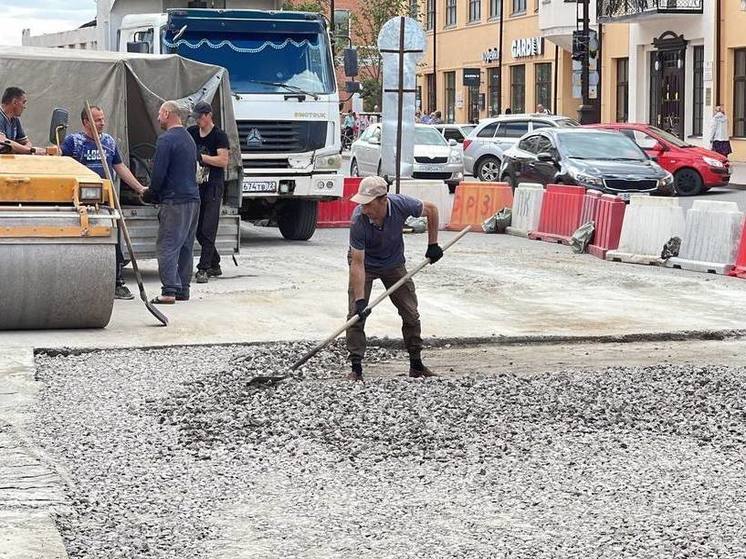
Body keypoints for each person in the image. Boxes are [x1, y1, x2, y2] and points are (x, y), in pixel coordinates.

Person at [346, 176, 443, 381]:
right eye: (361, 204)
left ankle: (416, 365)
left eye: (368, 204)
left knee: (410, 313)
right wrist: (361, 300)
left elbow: (432, 209)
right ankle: (356, 368)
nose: (364, 209)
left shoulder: (400, 205)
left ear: (383, 200)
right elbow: (357, 263)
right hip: (365, 264)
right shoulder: (358, 219)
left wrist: (433, 244)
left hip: (393, 263)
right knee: (356, 314)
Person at [62, 105, 147, 300]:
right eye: (97, 120)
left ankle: (117, 283)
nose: (102, 123)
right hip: (81, 204)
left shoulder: (108, 142)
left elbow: (120, 167)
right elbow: (63, 167)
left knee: (115, 240)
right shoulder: (73, 142)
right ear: (85, 122)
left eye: (102, 119)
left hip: (106, 201)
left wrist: (140, 188)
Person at [149, 100, 201, 304]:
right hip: (193, 199)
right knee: (185, 245)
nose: (158, 118)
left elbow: (159, 173)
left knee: (167, 245)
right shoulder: (189, 139)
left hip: (175, 200)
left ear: (168, 113)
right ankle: (183, 289)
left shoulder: (166, 139)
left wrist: (151, 193)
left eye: (160, 114)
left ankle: (169, 290)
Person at [187, 101, 230, 284]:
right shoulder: (192, 132)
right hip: (196, 185)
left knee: (208, 227)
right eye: (196, 117)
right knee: (196, 229)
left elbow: (223, 160)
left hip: (213, 185)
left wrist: (202, 157)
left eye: (200, 117)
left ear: (208, 115)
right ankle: (215, 262)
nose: (198, 121)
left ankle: (203, 268)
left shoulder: (219, 136)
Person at [0, 87, 46, 155]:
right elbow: (3, 142)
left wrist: (27, 150)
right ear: (14, 102)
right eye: (23, 102)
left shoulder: (15, 119)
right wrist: (31, 150)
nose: (25, 107)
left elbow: (26, 142)